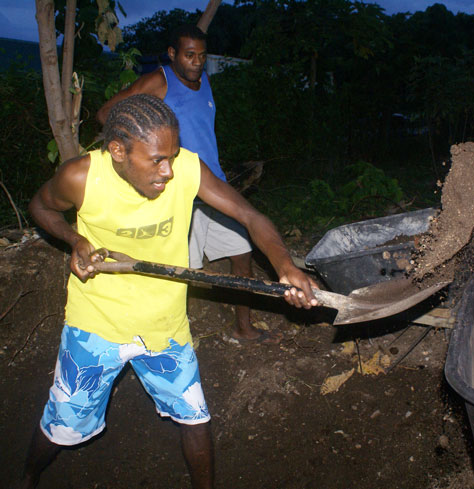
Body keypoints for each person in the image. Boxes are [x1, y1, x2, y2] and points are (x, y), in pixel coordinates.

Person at [21, 94, 318, 489]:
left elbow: (250, 215)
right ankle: (26, 476)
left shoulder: (187, 169)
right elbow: (40, 208)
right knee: (62, 424)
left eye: (172, 156)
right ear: (118, 151)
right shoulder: (81, 177)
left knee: (195, 417)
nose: (169, 171)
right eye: (157, 160)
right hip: (95, 328)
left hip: (165, 325)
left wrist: (285, 266)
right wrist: (74, 239)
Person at [96, 24, 276, 344]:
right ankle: (159, 339)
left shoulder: (203, 80)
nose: (196, 62)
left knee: (242, 252)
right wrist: (140, 156)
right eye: (189, 55)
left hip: (213, 186)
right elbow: (107, 114)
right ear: (172, 54)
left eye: (201, 56)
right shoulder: (158, 81)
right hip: (178, 191)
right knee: (176, 271)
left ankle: (243, 328)